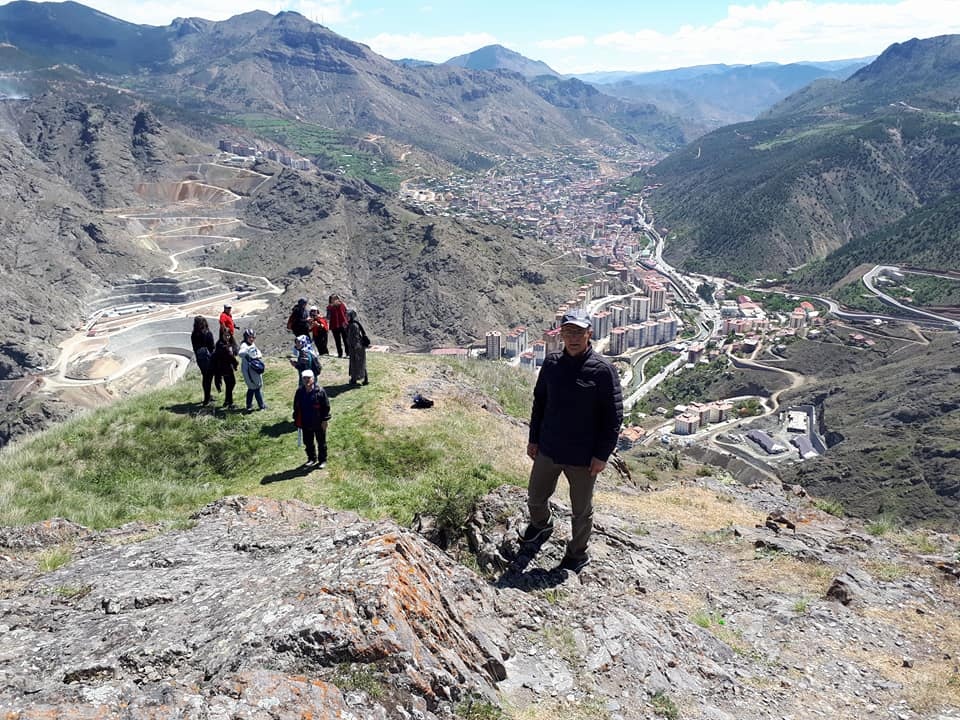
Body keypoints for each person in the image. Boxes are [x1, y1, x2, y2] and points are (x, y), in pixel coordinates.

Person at [522, 308, 623, 573]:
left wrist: (602, 455)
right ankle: (542, 524)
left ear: (589, 333)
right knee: (535, 497)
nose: (573, 337)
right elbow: (539, 404)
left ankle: (578, 553)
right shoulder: (552, 363)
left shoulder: (603, 370)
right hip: (549, 448)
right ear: (561, 335)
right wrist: (534, 439)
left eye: (579, 332)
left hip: (583, 457)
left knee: (581, 511)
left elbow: (613, 417)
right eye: (568, 332)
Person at [292, 369, 331, 469]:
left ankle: (322, 460)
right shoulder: (299, 392)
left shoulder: (320, 391)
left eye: (308, 378)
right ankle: (312, 459)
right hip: (305, 422)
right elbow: (296, 406)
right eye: (304, 378)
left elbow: (326, 407)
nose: (306, 380)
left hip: (318, 422)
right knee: (308, 442)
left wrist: (325, 421)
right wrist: (297, 420)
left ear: (313, 379)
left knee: (321, 442)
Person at [238, 328, 267, 412]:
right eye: (250, 337)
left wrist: (258, 356)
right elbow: (240, 353)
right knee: (256, 387)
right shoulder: (244, 345)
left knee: (251, 388)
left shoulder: (252, 344)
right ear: (246, 337)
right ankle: (261, 406)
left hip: (254, 369)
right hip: (248, 370)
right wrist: (247, 353)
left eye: (253, 337)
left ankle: (249, 406)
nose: (252, 339)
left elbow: (257, 352)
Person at [190, 316, 216, 405]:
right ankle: (207, 399)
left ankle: (207, 396)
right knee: (209, 378)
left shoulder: (194, 334)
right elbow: (212, 348)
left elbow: (195, 348)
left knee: (205, 378)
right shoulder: (208, 333)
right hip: (209, 359)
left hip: (200, 360)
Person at [213, 326, 239, 409]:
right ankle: (229, 403)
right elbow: (229, 356)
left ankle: (227, 401)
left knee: (231, 384)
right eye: (225, 335)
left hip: (228, 367)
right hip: (224, 368)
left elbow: (234, 351)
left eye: (228, 335)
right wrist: (235, 363)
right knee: (230, 384)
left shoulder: (228, 343)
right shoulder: (221, 345)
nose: (227, 337)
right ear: (222, 335)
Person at [345, 309, 369, 386]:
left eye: (348, 316)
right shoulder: (351, 324)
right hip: (354, 347)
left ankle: (359, 379)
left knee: (358, 363)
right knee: (356, 363)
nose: (347, 317)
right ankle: (355, 379)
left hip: (356, 348)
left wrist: (355, 347)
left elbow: (355, 337)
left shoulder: (354, 325)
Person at [326, 294, 349, 358]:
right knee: (337, 340)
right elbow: (328, 317)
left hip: (343, 324)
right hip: (334, 325)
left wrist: (346, 322)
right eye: (332, 299)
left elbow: (346, 313)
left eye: (335, 299)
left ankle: (348, 353)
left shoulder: (342, 305)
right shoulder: (329, 307)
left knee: (346, 339)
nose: (334, 300)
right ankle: (340, 353)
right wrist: (330, 309)